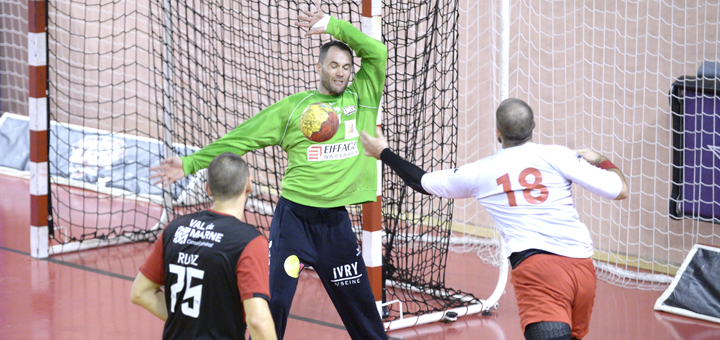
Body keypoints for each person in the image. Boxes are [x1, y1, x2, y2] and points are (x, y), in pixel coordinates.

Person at [148, 2, 389, 339]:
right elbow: (242, 138)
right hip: (294, 224)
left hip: (335, 225)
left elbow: (377, 51)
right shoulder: (293, 109)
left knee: (362, 310)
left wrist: (334, 24)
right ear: (320, 67)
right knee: (272, 305)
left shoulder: (362, 95)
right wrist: (191, 163)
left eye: (347, 67)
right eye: (333, 65)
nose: (340, 72)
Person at [360, 98, 629, 340]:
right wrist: (600, 159)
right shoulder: (560, 155)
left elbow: (420, 181)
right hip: (582, 269)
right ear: (534, 124)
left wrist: (383, 152)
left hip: (539, 270)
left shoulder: (481, 173)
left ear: (498, 132)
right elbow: (620, 190)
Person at [131, 152, 276, 340]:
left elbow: (140, 292)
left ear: (208, 189)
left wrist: (189, 318)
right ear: (248, 185)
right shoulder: (250, 241)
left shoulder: (174, 228)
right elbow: (257, 320)